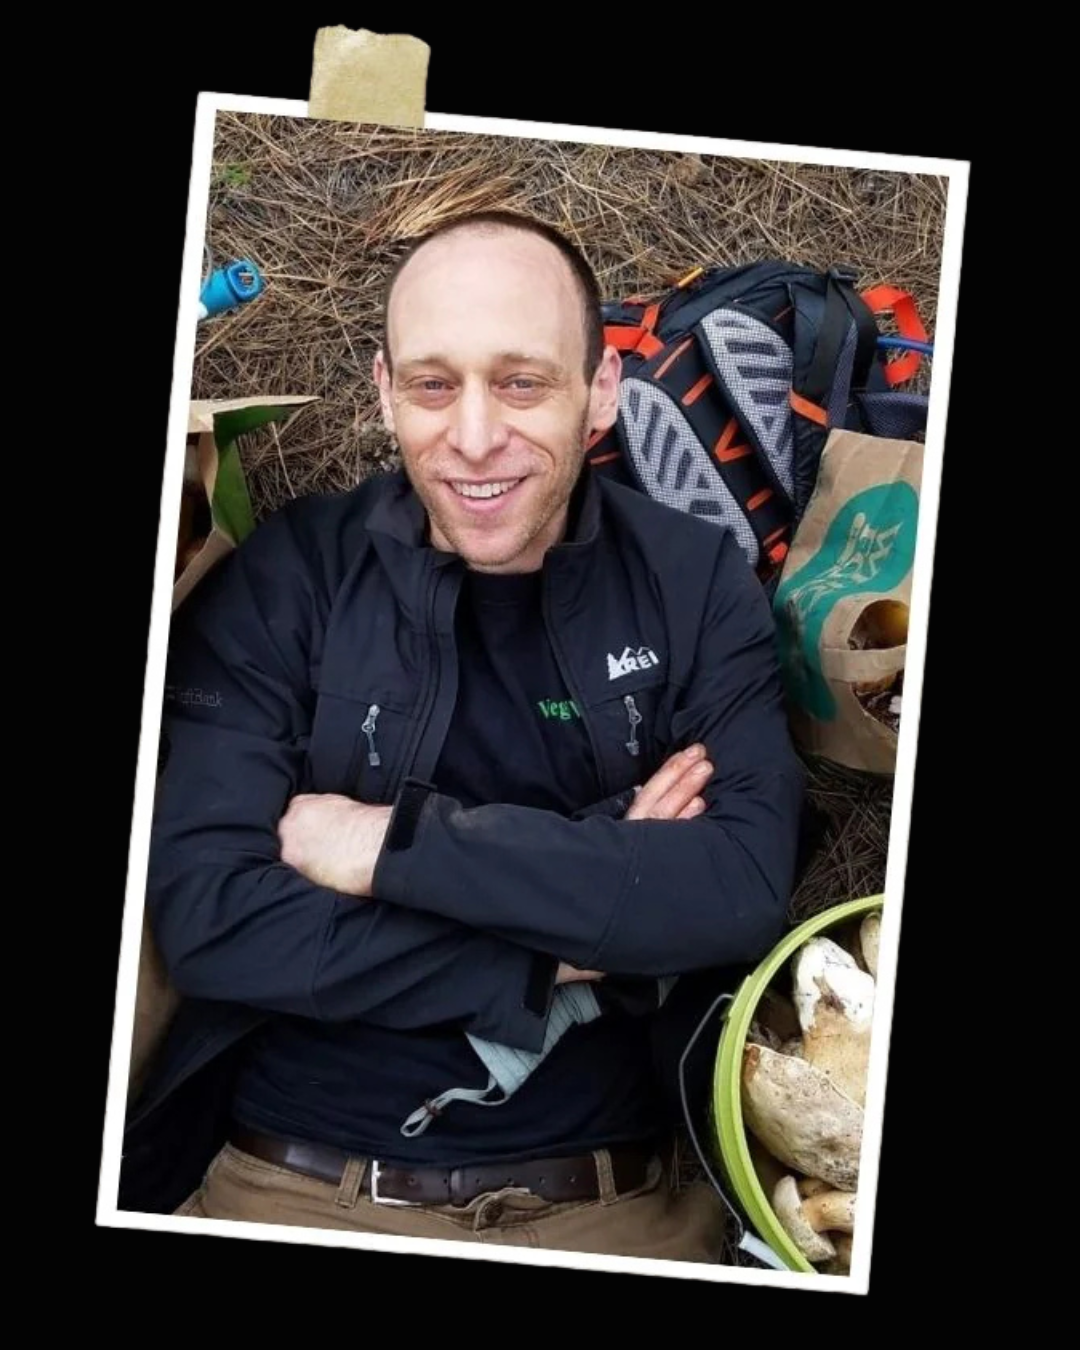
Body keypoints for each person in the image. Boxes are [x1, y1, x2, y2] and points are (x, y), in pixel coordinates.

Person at [119, 210, 805, 1262]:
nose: (476, 436)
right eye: (435, 385)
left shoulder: (691, 581)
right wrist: (568, 947)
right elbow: (212, 920)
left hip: (617, 1208)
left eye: (522, 382)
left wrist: (386, 847)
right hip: (289, 1188)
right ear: (388, 391)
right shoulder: (293, 580)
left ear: (602, 389)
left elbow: (738, 890)